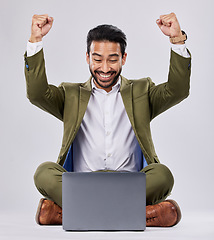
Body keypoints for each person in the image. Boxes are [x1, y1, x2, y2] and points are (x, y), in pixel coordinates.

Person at [24, 12, 191, 227]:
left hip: (131, 182)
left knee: (163, 175)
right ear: (87, 57)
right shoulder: (70, 94)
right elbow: (37, 94)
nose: (104, 68)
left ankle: (65, 214)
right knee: (44, 172)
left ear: (123, 58)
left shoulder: (142, 91)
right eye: (97, 59)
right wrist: (35, 40)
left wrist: (177, 40)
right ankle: (143, 215)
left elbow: (177, 90)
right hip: (83, 182)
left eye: (113, 59)